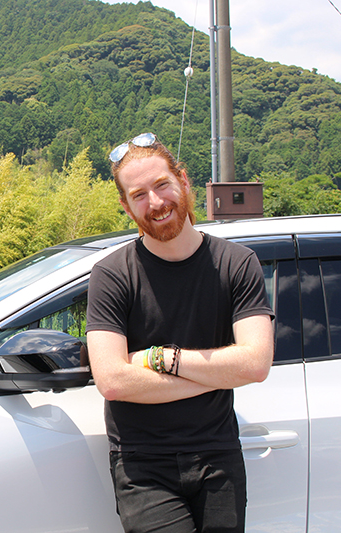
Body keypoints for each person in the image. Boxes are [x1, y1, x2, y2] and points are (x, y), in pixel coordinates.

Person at [85, 133, 274, 533]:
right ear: (125, 205)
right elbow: (114, 381)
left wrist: (160, 359)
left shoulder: (236, 265)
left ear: (183, 180)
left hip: (217, 453)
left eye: (162, 185)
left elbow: (255, 364)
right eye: (138, 195)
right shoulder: (112, 275)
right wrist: (218, 374)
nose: (155, 203)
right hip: (142, 462)